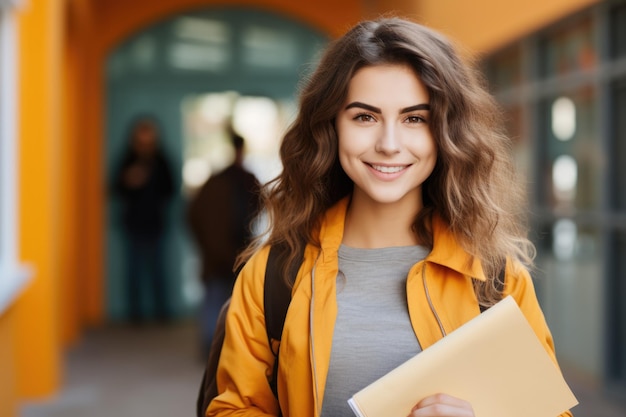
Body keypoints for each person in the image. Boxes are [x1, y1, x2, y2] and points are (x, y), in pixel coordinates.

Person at [205, 17, 574, 417]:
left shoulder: (496, 279)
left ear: (445, 132)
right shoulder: (272, 277)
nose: (389, 144)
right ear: (332, 126)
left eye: (415, 118)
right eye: (365, 117)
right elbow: (233, 408)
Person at [187, 129, 261, 357]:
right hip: (230, 253)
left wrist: (205, 245)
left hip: (224, 253)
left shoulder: (218, 182)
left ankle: (212, 348)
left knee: (217, 300)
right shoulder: (242, 180)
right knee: (226, 299)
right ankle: (221, 348)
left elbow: (192, 216)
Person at [113, 115, 175, 323]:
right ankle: (135, 314)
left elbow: (171, 189)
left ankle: (161, 312)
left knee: (158, 270)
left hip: (155, 223)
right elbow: (114, 189)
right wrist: (129, 181)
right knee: (134, 271)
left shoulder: (161, 159)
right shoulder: (127, 159)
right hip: (133, 224)